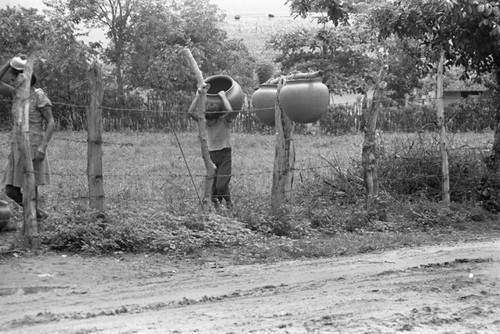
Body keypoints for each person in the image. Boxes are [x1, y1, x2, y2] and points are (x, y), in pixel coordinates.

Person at [0, 55, 55, 219]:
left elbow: (51, 122)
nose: (10, 80)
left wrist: (43, 147)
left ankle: (33, 220)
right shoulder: (16, 94)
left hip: (33, 148)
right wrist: (10, 62)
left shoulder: (38, 95)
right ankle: (35, 213)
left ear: (23, 76)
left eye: (13, 76)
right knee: (10, 190)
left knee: (31, 187)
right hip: (17, 147)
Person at [206, 90, 238, 208]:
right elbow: (190, 112)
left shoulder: (224, 121)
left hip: (224, 153)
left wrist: (224, 97)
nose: (210, 123)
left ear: (218, 115)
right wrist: (199, 96)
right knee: (213, 189)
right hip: (211, 154)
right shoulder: (206, 121)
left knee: (221, 186)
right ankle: (218, 210)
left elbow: (230, 111)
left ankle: (230, 204)